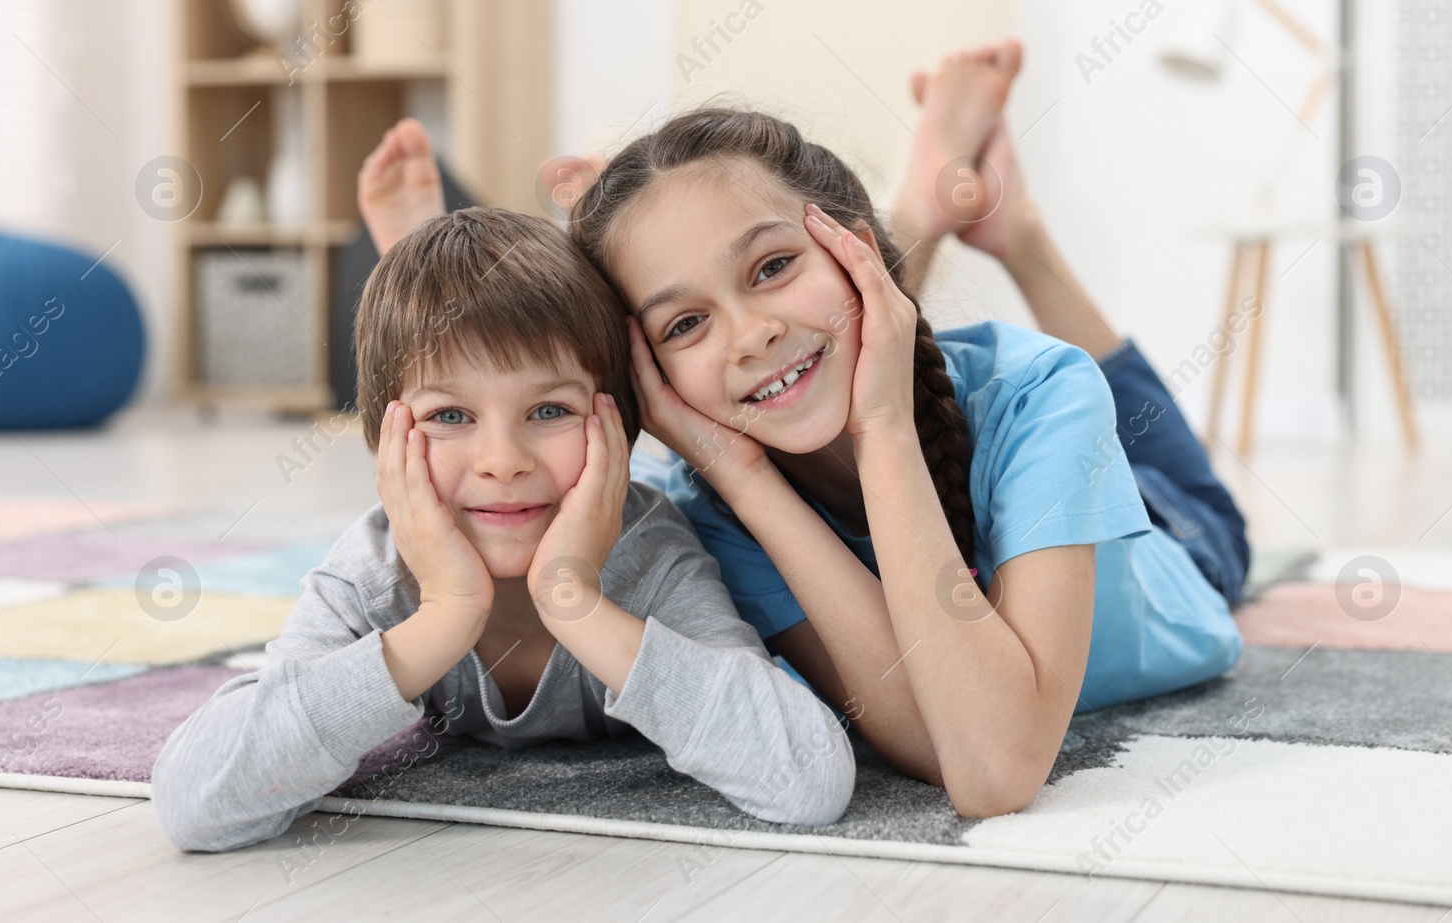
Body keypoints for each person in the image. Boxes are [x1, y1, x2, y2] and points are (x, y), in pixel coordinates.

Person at [356, 41, 1247, 818]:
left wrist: (886, 425)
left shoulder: (1044, 389)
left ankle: (1016, 236)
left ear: (851, 241)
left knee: (1197, 498)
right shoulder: (716, 508)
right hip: (839, 400)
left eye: (774, 264)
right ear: (650, 379)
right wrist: (743, 480)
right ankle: (920, 210)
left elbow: (998, 768)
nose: (749, 333)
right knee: (820, 342)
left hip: (1182, 542)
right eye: (683, 323)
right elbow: (946, 748)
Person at [152, 209, 854, 852]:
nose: (503, 463)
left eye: (548, 410)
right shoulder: (371, 573)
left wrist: (572, 597)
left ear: (618, 423)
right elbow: (191, 802)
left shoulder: (652, 555)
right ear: (385, 440)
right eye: (450, 416)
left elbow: (809, 779)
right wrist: (445, 615)